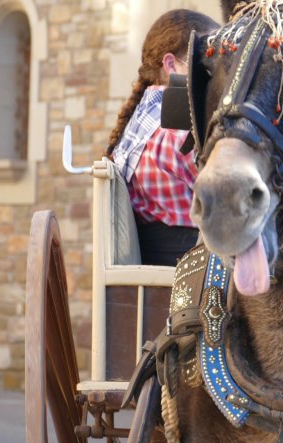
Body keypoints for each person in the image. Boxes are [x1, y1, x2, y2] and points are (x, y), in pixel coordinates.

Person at [105, 9, 218, 266]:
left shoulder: (139, 126)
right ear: (171, 65)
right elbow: (229, 199)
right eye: (208, 60)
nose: (217, 72)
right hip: (196, 281)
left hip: (161, 270)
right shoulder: (176, 128)